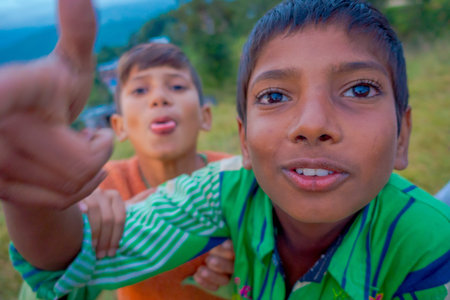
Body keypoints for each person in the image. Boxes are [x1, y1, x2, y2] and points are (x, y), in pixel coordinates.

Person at [3, 0, 450, 299]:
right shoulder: (219, 193)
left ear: (402, 136)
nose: (312, 124)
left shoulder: (427, 243)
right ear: (244, 143)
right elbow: (71, 258)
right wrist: (35, 197)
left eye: (359, 88)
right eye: (275, 96)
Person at [17, 42, 235, 299]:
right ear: (119, 126)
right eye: (140, 90)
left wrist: (243, 261)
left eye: (177, 86)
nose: (159, 99)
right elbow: (55, 277)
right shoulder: (101, 186)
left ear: (205, 116)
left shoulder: (232, 176)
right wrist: (81, 219)